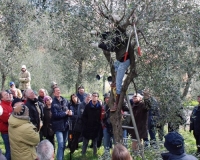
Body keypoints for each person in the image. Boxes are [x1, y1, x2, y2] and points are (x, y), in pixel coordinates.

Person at [91, 28, 134, 111]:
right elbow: (106, 35)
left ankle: (116, 104)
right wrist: (97, 33)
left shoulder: (120, 38)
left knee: (118, 85)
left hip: (124, 61)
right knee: (114, 66)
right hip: (120, 61)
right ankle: (116, 79)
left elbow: (111, 48)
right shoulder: (116, 34)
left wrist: (98, 45)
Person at [51, 87, 72, 160]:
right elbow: (55, 115)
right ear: (54, 93)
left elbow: (69, 109)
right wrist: (65, 113)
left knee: (63, 144)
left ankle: (61, 157)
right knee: (60, 144)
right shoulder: (53, 103)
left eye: (59, 90)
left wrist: (70, 112)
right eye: (56, 91)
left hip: (66, 125)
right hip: (58, 126)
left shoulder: (65, 100)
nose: (58, 92)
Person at [82, 92, 102, 157]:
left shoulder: (100, 107)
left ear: (97, 98)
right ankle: (83, 154)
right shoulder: (87, 106)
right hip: (87, 127)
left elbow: (101, 117)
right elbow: (83, 116)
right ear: (91, 97)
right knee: (85, 142)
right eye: (93, 96)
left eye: (96, 96)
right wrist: (86, 123)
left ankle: (95, 155)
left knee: (95, 142)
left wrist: (98, 124)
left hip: (95, 127)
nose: (94, 97)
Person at [100, 93, 113, 159]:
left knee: (116, 144)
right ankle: (107, 157)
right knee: (106, 144)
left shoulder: (114, 105)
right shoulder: (103, 107)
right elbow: (101, 118)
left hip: (114, 128)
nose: (107, 99)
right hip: (106, 126)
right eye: (106, 98)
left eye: (108, 98)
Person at [0, 91, 13, 160]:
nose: (8, 95)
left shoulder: (9, 104)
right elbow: (6, 119)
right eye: (5, 95)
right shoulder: (1, 107)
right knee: (9, 151)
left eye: (8, 94)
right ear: (2, 98)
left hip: (10, 130)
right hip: (6, 132)